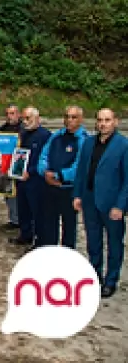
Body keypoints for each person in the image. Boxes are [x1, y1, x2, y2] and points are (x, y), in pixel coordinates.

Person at [72, 108, 128, 299]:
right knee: (93, 241)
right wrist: (77, 195)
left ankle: (111, 280)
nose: (103, 123)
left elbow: (127, 179)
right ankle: (94, 274)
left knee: (114, 243)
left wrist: (120, 205)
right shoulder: (88, 143)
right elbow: (81, 171)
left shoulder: (123, 145)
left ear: (115, 122)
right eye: (100, 120)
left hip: (111, 204)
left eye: (107, 120)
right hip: (89, 200)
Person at [38, 106, 88, 248]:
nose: (69, 120)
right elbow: (43, 156)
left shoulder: (83, 140)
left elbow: (80, 165)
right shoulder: (56, 136)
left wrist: (59, 176)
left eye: (73, 117)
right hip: (49, 187)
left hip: (68, 189)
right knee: (49, 224)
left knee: (69, 227)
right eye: (67, 116)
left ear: (80, 119)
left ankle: (67, 256)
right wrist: (45, 172)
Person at [10, 107, 51, 248]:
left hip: (36, 180)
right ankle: (25, 234)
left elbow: (45, 159)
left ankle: (39, 240)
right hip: (21, 178)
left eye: (28, 118)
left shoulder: (45, 136)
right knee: (23, 208)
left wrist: (31, 171)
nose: (25, 122)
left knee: (37, 211)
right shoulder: (22, 134)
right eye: (24, 119)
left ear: (37, 118)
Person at [0, 105, 23, 229]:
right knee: (8, 194)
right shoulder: (3, 129)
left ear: (19, 114)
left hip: (19, 165)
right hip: (5, 166)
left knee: (19, 195)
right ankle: (13, 219)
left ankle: (21, 220)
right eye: (8, 113)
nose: (10, 116)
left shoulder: (23, 129)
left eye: (12, 113)